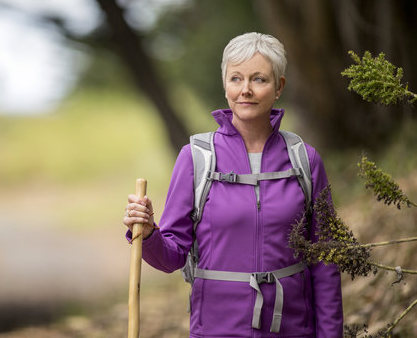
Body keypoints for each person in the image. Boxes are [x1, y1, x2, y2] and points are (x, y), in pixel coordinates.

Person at [123, 32, 343, 337]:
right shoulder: (196, 158)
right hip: (216, 329)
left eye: (259, 79)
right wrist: (147, 233)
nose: (246, 90)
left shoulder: (305, 160)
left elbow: (325, 263)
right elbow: (171, 257)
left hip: (291, 328)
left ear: (279, 86)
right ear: (225, 84)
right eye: (236, 78)